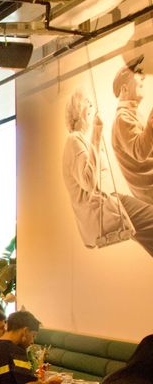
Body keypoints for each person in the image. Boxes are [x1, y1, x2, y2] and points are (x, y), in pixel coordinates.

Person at [64, 88, 153, 255]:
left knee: (148, 236)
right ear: (80, 109)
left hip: (109, 203)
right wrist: (96, 135)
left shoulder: (82, 141)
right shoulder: (74, 140)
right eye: (88, 103)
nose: (92, 107)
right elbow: (88, 182)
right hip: (105, 206)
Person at [111, 56, 153, 206]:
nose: (142, 76)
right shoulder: (122, 119)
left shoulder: (132, 114)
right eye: (137, 73)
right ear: (124, 89)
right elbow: (140, 151)